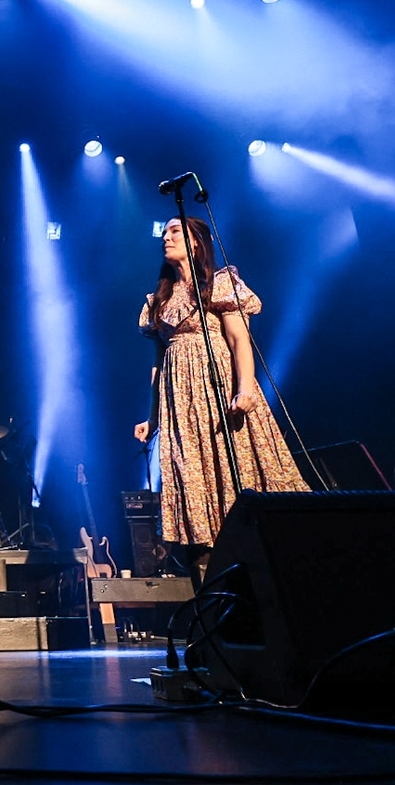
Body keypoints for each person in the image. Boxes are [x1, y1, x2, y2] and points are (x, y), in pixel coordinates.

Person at [133, 217, 308, 576]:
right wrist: (152, 417)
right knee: (192, 476)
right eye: (165, 233)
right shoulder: (160, 298)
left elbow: (239, 339)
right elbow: (158, 363)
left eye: (175, 231)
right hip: (180, 402)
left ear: (197, 241)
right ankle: (208, 575)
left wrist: (245, 388)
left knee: (235, 468)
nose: (166, 238)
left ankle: (268, 558)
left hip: (217, 389)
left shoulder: (219, 282)